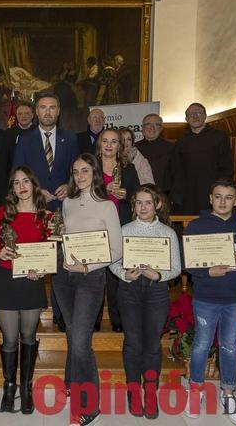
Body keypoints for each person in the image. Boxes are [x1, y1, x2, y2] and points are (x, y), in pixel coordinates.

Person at [182, 179, 236, 425]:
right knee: (201, 346)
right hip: (205, 297)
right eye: (218, 196)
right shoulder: (195, 226)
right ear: (210, 198)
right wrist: (207, 272)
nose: (223, 201)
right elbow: (188, 264)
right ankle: (196, 390)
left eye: (228, 197)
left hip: (234, 298)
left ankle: (228, 393)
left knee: (229, 346)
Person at [55, 153, 122, 426]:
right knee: (72, 333)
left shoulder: (107, 207)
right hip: (63, 277)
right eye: (75, 171)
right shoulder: (67, 203)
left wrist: (88, 267)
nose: (79, 176)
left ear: (94, 173)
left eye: (85, 170)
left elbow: (116, 250)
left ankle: (90, 404)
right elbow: (64, 239)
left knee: (82, 341)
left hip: (90, 279)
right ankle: (72, 382)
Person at [109, 184, 181, 418]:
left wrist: (158, 275)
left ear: (157, 205)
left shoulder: (168, 233)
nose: (143, 207)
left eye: (148, 202)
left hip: (156, 291)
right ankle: (133, 391)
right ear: (133, 206)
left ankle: (150, 392)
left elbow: (177, 268)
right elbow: (113, 260)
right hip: (129, 289)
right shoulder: (124, 229)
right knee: (132, 342)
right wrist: (123, 274)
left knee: (152, 345)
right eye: (138, 203)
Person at [13, 91, 79, 331]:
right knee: (36, 260)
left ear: (59, 111)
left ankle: (61, 313)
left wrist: (68, 185)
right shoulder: (25, 140)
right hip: (35, 207)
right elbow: (18, 172)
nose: (48, 112)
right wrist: (37, 190)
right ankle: (33, 309)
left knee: (62, 262)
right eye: (43, 107)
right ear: (36, 111)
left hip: (64, 208)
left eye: (52, 107)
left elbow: (77, 171)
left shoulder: (70, 139)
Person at [0, 166, 52, 414]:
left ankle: (26, 388)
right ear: (12, 188)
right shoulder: (3, 212)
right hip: (7, 279)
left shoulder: (46, 215)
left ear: (34, 184)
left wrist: (43, 269)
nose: (21, 186)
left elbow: (49, 249)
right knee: (9, 338)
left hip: (32, 281)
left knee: (28, 336)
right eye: (16, 183)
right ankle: (9, 387)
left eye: (26, 181)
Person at [94, 128, 140, 333]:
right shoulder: (90, 167)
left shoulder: (128, 168)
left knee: (115, 276)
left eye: (114, 141)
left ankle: (116, 318)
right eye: (106, 141)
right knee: (95, 275)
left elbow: (137, 196)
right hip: (95, 226)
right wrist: (105, 190)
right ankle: (93, 318)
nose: (109, 145)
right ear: (99, 144)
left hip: (120, 225)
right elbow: (81, 192)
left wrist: (125, 196)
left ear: (120, 145)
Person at [170, 103, 233, 214]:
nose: (195, 116)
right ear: (186, 119)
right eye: (191, 114)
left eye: (199, 113)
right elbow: (176, 170)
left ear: (205, 116)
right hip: (187, 195)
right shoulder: (181, 140)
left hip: (212, 193)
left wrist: (220, 192)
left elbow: (226, 167)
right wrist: (176, 197)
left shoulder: (219, 137)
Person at [136, 113, 174, 194]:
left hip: (164, 194)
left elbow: (177, 175)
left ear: (161, 129)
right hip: (139, 193)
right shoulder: (134, 148)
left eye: (157, 125)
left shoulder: (172, 148)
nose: (152, 128)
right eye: (148, 124)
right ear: (142, 128)